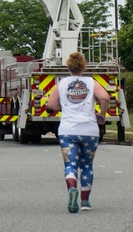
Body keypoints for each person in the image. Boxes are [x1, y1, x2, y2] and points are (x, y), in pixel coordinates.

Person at [46, 52, 111, 213]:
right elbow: (105, 98)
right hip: (89, 130)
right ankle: (85, 201)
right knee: (87, 165)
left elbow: (51, 104)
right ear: (84, 67)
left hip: (68, 130)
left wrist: (65, 106)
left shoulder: (61, 84)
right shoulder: (91, 82)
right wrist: (101, 114)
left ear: (68, 67)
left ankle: (72, 188)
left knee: (70, 164)